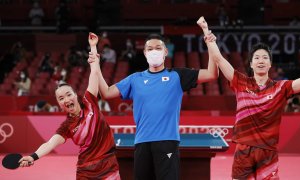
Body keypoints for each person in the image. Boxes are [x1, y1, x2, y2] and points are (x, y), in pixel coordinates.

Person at [88, 19, 219, 179]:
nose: (154, 51)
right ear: (144, 53)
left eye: (158, 48)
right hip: (142, 142)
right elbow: (107, 92)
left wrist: (209, 39)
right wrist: (95, 60)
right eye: (149, 48)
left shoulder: (177, 75)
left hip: (167, 141)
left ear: (165, 52)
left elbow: (212, 73)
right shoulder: (135, 79)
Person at [206, 18, 300, 179]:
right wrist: (207, 33)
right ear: (251, 63)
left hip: (268, 152)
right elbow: (218, 59)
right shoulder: (240, 82)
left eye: (265, 58)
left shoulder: (281, 88)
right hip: (244, 150)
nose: (261, 61)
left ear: (270, 64)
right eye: (257, 58)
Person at [18, 33, 121, 180]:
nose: (66, 99)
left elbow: (94, 72)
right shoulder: (67, 126)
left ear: (75, 95)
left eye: (68, 94)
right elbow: (50, 143)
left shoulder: (89, 102)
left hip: (108, 166)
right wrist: (33, 157)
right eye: (61, 98)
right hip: (85, 171)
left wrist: (93, 46)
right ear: (60, 105)